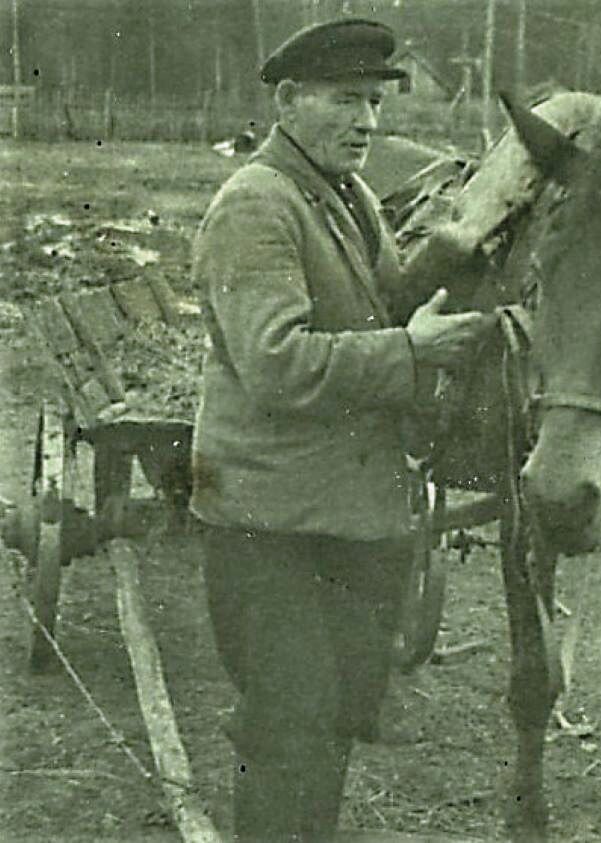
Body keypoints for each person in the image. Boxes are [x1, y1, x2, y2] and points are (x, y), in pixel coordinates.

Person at [188, 18, 490, 842]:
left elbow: (384, 298)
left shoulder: (347, 194)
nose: (367, 122)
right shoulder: (256, 202)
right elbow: (276, 363)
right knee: (288, 731)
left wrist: (443, 258)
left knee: (332, 727)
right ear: (287, 100)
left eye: (374, 103)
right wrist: (410, 351)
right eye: (346, 100)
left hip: (349, 519)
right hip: (270, 525)